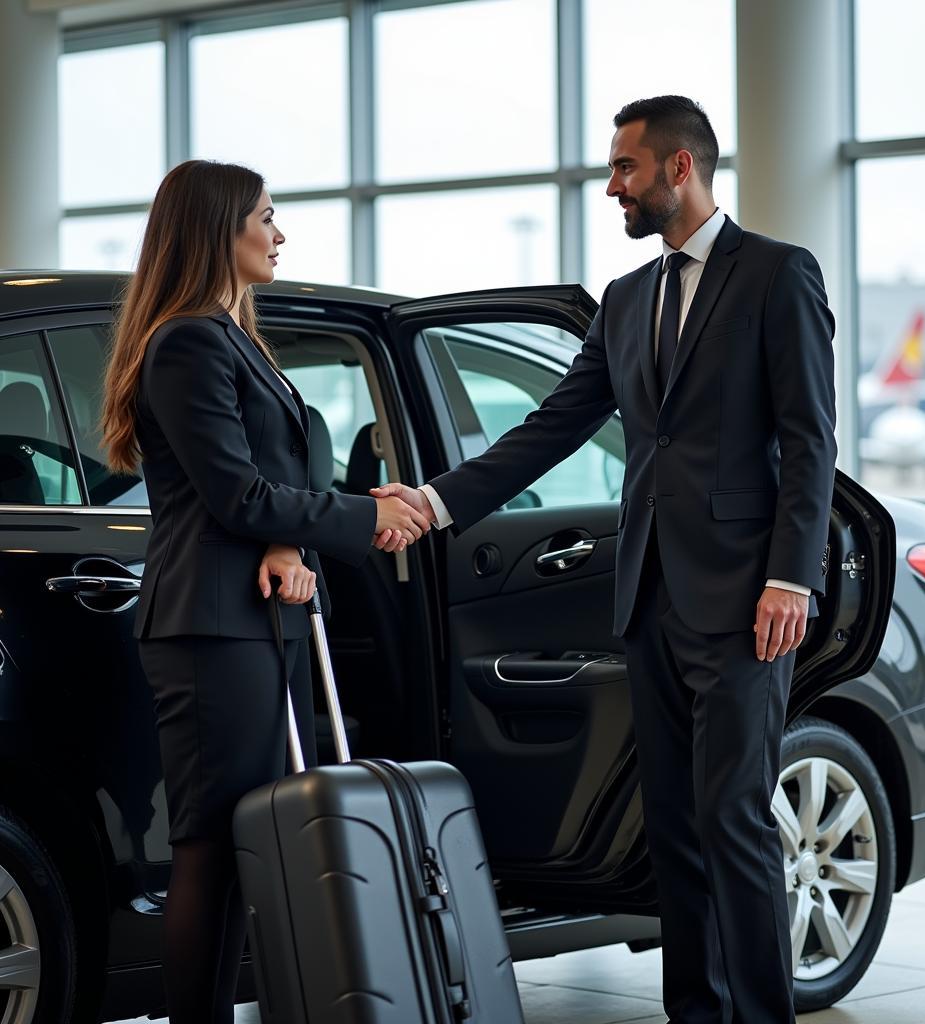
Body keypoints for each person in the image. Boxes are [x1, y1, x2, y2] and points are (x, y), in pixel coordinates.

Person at [372, 96, 837, 1023]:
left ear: (679, 169)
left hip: (748, 600)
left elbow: (810, 439)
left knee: (735, 823)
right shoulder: (627, 299)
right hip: (650, 601)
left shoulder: (778, 275)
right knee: (672, 832)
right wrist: (434, 501)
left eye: (624, 167)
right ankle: (695, 1014)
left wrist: (794, 574)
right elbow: (550, 427)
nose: (612, 185)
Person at [100, 159, 428, 1024]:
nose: (280, 233)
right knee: (210, 844)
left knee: (244, 844)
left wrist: (292, 537)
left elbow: (267, 476)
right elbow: (232, 492)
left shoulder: (231, 334)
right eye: (267, 217)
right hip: (209, 625)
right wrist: (365, 511)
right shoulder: (187, 342)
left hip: (254, 618)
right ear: (219, 229)